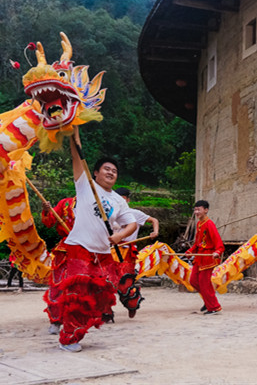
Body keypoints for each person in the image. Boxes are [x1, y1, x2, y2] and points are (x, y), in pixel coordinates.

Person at [54, 129, 138, 352]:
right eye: (107, 169)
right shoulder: (85, 185)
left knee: (102, 296)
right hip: (80, 246)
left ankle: (78, 329)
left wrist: (120, 235)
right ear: (96, 173)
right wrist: (75, 130)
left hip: (103, 253)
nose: (111, 173)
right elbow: (76, 154)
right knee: (78, 295)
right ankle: (68, 338)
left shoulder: (119, 200)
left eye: (115, 171)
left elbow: (132, 224)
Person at [41, 196, 76, 334]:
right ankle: (55, 320)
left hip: (87, 248)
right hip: (66, 248)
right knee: (58, 284)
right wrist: (46, 211)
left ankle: (76, 324)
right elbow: (49, 222)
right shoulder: (65, 203)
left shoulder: (97, 202)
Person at [186, 200, 224, 315]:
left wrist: (218, 251)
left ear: (206, 210)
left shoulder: (209, 224)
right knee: (193, 281)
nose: (196, 212)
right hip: (199, 258)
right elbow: (197, 243)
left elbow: (219, 243)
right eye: (195, 209)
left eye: (199, 209)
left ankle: (214, 307)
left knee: (204, 283)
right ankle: (208, 302)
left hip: (208, 258)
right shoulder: (199, 224)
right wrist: (190, 251)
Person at [114, 187, 160, 267]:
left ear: (128, 200)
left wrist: (155, 232)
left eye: (122, 199)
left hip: (128, 249)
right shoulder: (111, 214)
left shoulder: (135, 213)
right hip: (113, 248)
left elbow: (154, 220)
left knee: (125, 273)